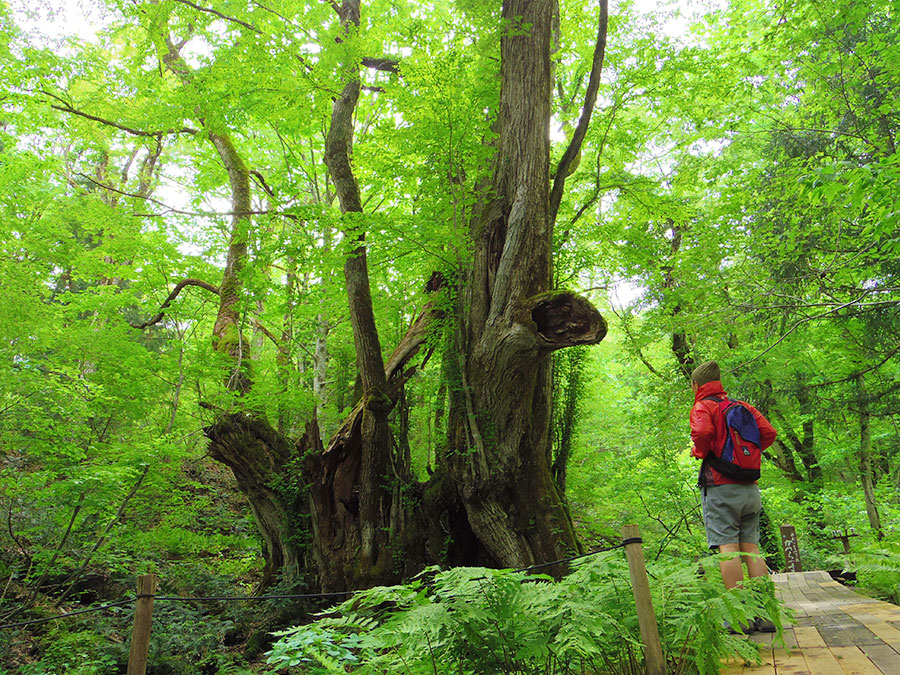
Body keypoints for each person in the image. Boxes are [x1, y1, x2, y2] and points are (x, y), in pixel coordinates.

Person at [689, 360, 778, 633]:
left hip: (720, 487)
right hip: (749, 489)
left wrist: (701, 451)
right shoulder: (742, 407)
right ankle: (763, 615)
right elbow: (769, 432)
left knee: (727, 549)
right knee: (751, 547)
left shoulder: (703, 406)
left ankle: (739, 617)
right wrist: (744, 458)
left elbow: (702, 432)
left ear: (696, 385)